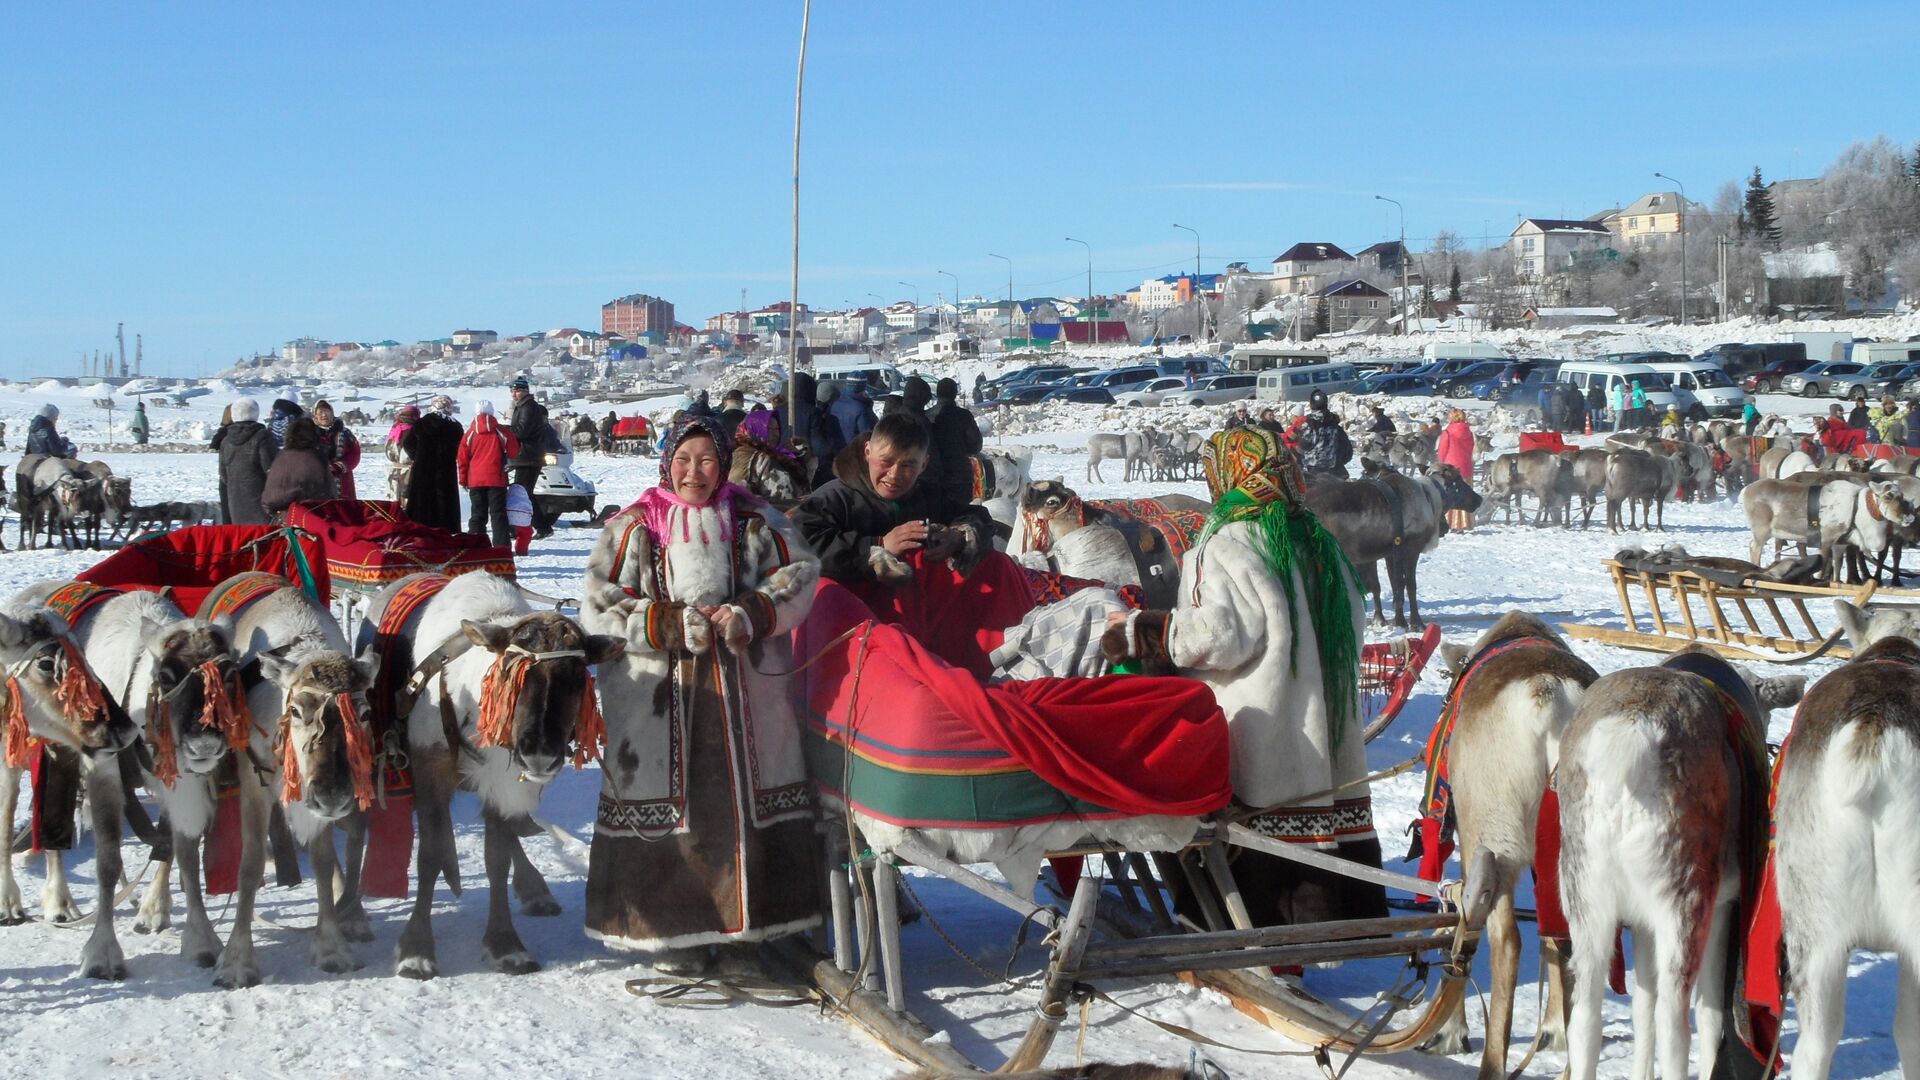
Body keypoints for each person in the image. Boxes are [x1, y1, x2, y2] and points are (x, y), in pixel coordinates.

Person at [1099, 428, 1385, 927]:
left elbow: (1223, 636)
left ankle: (1239, 937)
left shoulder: (1228, 545)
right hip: (1328, 728)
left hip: (1261, 732)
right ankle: (1316, 932)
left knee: (1238, 842)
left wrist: (1141, 631)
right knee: (1319, 820)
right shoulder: (1324, 544)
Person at [581, 414, 822, 976]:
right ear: (667, 462)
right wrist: (666, 623)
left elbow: (800, 574)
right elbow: (598, 602)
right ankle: (678, 936)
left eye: (708, 459)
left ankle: (747, 941)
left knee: (747, 806)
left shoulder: (755, 520)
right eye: (684, 460)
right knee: (674, 811)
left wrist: (750, 612)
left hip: (749, 695)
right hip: (657, 700)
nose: (695, 472)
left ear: (724, 464)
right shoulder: (634, 528)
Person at [791, 412, 992, 589]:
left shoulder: (928, 496)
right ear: (868, 452)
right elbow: (800, 545)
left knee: (996, 566)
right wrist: (878, 546)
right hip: (853, 608)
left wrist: (958, 537)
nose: (894, 475)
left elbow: (976, 517)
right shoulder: (834, 499)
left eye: (908, 465)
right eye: (886, 461)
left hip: (917, 607)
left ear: (923, 465)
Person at [457, 400, 519, 548]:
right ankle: (501, 547)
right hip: (497, 479)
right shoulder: (502, 431)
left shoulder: (470, 433)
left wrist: (463, 479)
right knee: (498, 514)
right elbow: (514, 452)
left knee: (478, 514)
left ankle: (476, 546)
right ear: (492, 412)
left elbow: (462, 459)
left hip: (475, 480)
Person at [402, 396, 464, 532]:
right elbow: (461, 448)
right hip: (445, 470)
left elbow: (407, 443)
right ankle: (446, 531)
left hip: (422, 468)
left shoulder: (420, 423)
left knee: (422, 500)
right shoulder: (455, 427)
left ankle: (420, 529)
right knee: (445, 502)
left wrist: (417, 456)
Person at [508, 377, 559, 538]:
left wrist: (504, 430)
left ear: (525, 391)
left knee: (522, 494)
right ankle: (537, 526)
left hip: (528, 457)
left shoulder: (528, 407)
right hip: (526, 457)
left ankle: (536, 526)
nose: (514, 394)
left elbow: (522, 431)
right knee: (524, 493)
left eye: (517, 391)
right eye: (512, 391)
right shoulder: (523, 406)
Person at [216, 399, 276, 526]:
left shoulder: (226, 441)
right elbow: (272, 471)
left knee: (243, 536)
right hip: (261, 503)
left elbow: (223, 475)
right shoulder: (262, 436)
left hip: (235, 504)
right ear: (256, 413)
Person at [260, 417, 333, 520]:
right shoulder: (316, 458)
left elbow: (269, 495)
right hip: (309, 517)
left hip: (280, 517)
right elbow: (329, 492)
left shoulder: (280, 456)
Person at [925, 377, 983, 506]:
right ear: (955, 393)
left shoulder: (926, 416)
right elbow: (976, 445)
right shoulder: (964, 416)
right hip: (959, 475)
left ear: (937, 393)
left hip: (932, 475)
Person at [308, 400, 362, 501]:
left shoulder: (345, 433)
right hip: (316, 481)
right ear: (315, 416)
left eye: (326, 411)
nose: (324, 415)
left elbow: (355, 453)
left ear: (332, 413)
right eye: (320, 412)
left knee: (343, 509)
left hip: (343, 481)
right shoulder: (309, 434)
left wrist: (339, 466)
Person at [1295, 390, 1352, 481]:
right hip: (1336, 469)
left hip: (1316, 470)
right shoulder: (1334, 423)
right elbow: (1347, 448)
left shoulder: (1308, 423)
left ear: (1311, 404)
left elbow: (1303, 445)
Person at [1435, 409, 1476, 531]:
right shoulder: (1469, 432)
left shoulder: (1447, 432)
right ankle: (1466, 522)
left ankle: (1452, 522)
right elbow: (1471, 448)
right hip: (1466, 467)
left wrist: (1440, 465)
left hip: (1451, 469)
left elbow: (1442, 451)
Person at [828, 380, 876, 445]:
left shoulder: (835, 404)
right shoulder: (861, 408)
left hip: (836, 447)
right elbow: (868, 435)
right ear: (862, 389)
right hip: (854, 448)